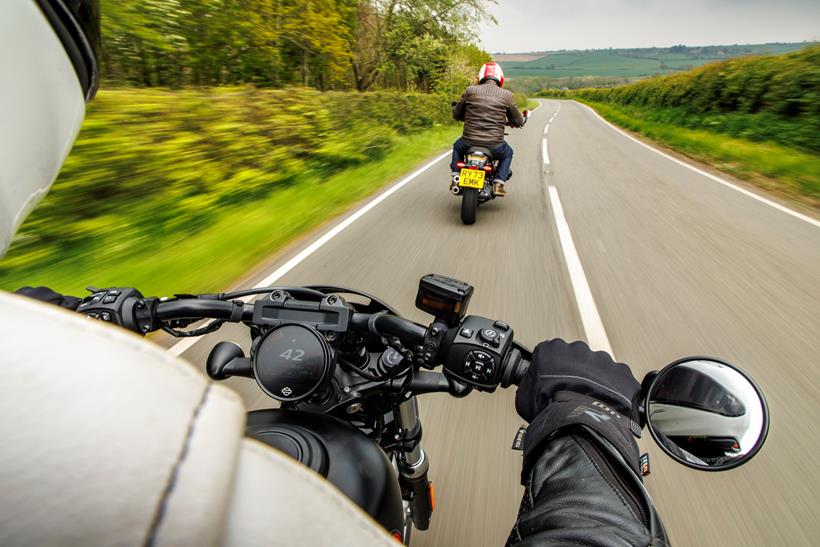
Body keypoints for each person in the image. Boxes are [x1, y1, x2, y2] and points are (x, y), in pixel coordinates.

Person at [0, 2, 667, 545]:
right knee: (509, 159)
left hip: (466, 151)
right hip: (485, 171)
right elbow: (514, 122)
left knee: (467, 151)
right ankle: (493, 183)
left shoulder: (57, 449)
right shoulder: (508, 97)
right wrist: (590, 424)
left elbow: (458, 120)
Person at [451, 62, 525, 197]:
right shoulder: (506, 95)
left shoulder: (470, 90)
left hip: (468, 142)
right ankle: (498, 183)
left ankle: (456, 177)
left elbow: (457, 114)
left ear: (480, 76)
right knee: (508, 153)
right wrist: (515, 122)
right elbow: (518, 120)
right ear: (500, 78)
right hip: (494, 145)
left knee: (457, 146)